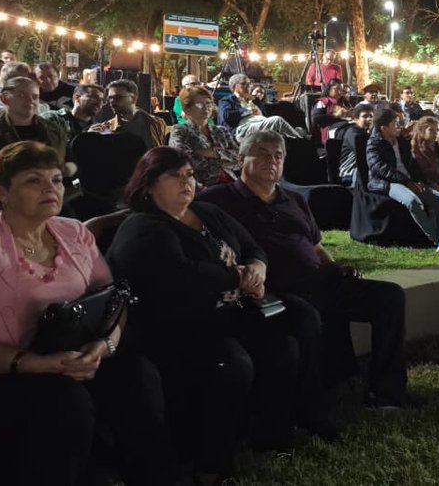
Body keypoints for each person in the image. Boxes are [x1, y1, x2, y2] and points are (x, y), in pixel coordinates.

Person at [106, 147, 329, 480]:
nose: (187, 182)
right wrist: (239, 277)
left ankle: (274, 438)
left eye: (190, 175)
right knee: (231, 364)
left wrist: (257, 267)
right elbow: (182, 275)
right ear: (149, 184)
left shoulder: (206, 211)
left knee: (283, 344)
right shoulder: (143, 227)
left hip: (228, 310)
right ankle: (212, 464)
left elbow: (252, 246)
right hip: (176, 324)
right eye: (175, 176)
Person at [0, 141, 175, 486]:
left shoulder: (73, 232)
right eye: (34, 180)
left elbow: (114, 299)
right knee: (62, 401)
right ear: (0, 191)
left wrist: (105, 345)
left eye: (56, 179)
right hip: (1, 372)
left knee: (136, 373)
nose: (51, 188)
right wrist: (38, 364)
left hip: (77, 356)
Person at [196, 131, 422, 410]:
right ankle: (322, 396)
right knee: (311, 316)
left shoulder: (295, 199)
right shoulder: (218, 200)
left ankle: (388, 393)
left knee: (390, 297)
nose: (272, 161)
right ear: (241, 159)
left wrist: (335, 267)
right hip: (278, 290)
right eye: (263, 154)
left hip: (321, 280)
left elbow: (315, 247)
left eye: (278, 156)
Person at [366, 106, 439, 252]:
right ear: (384, 128)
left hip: (412, 180)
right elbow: (381, 169)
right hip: (389, 182)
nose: (399, 126)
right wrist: (408, 182)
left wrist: (419, 180)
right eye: (395, 123)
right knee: (412, 201)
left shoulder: (402, 142)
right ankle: (438, 240)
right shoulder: (374, 144)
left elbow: (413, 166)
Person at [0, 77, 69, 217]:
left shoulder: (53, 130)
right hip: (6, 208)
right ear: (4, 98)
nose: (30, 101)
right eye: (21, 95)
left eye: (35, 96)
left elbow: (68, 164)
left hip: (50, 203)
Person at [169, 85, 240, 188]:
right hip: (199, 186)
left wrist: (213, 153)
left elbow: (238, 157)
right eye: (199, 104)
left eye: (208, 103)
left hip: (230, 181)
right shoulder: (180, 130)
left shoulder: (221, 130)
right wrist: (223, 158)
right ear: (187, 109)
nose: (206, 107)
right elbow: (184, 159)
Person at [88, 79, 169, 151]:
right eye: (110, 98)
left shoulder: (156, 123)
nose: (112, 102)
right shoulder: (107, 127)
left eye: (118, 97)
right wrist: (91, 138)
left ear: (133, 98)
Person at [218, 74, 304, 140]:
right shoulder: (227, 100)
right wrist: (248, 110)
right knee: (277, 120)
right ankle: (300, 139)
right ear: (234, 87)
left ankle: (298, 137)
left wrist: (256, 102)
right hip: (242, 129)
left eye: (249, 84)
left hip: (259, 124)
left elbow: (264, 116)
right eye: (244, 84)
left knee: (284, 134)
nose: (248, 86)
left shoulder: (253, 100)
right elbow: (227, 115)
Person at [338, 103, 375, 186]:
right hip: (349, 174)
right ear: (356, 119)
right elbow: (363, 152)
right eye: (365, 116)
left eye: (371, 116)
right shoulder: (353, 133)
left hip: (363, 172)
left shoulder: (368, 134)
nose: (369, 119)